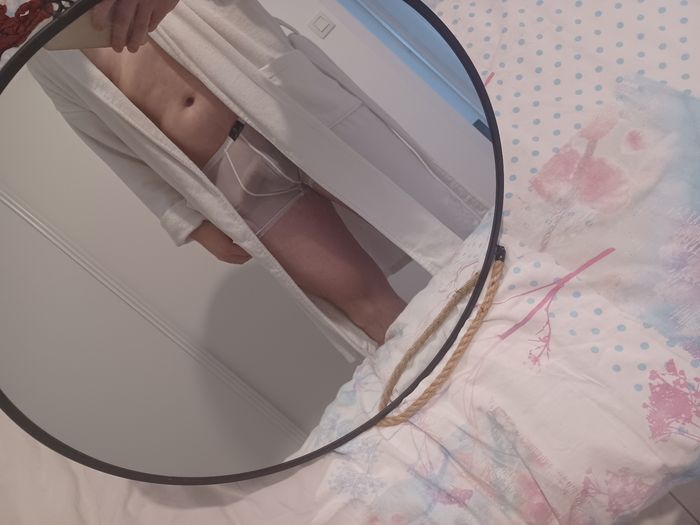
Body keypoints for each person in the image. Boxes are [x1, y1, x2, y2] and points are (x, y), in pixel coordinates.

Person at [80, 0, 407, 344]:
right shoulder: (44, 47)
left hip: (281, 103)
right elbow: (103, 138)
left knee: (422, 219)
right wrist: (190, 223)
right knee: (364, 302)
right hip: (230, 176)